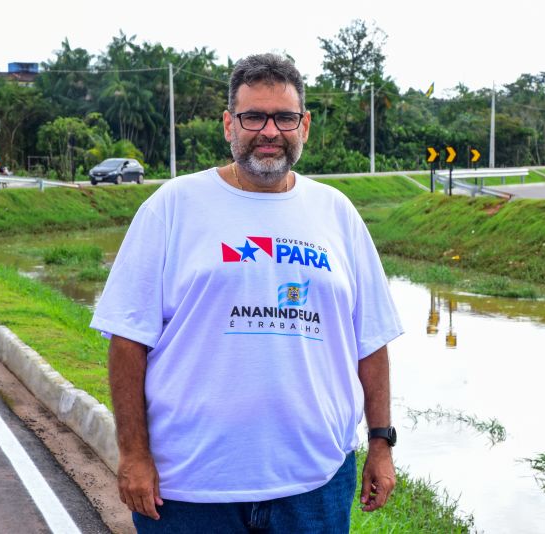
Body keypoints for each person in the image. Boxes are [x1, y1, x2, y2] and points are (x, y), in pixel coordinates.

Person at [90, 53, 404, 533]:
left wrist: (380, 443)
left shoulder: (336, 213)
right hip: (191, 490)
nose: (270, 132)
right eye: (253, 116)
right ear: (228, 124)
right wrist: (133, 453)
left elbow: (371, 341)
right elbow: (128, 341)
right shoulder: (172, 207)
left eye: (285, 118)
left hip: (314, 485)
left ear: (306, 125)